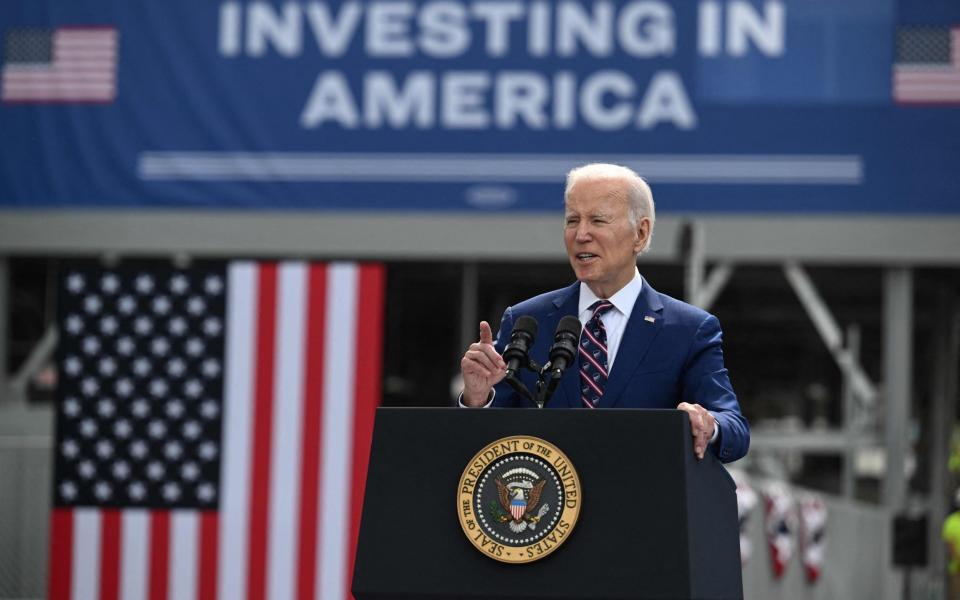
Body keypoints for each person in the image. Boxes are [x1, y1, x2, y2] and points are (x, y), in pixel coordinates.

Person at [460, 163, 749, 463]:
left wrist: (708, 424)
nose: (581, 234)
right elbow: (487, 438)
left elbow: (734, 427)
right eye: (572, 220)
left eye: (597, 220)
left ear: (640, 232)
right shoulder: (527, 321)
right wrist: (477, 398)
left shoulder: (688, 329)